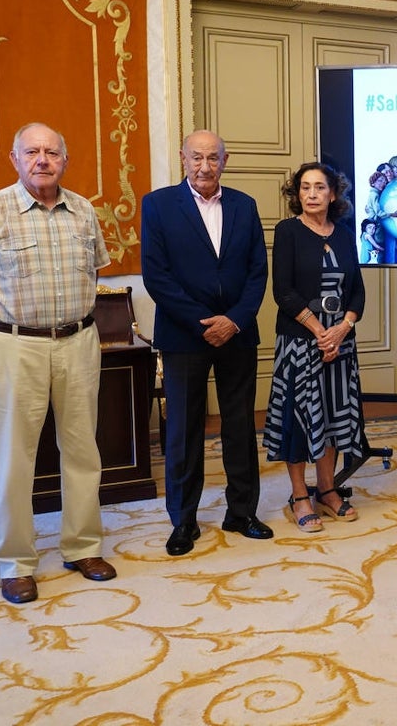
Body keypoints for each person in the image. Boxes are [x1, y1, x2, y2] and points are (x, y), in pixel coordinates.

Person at [0, 122, 116, 604]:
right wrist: (5, 323)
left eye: (52, 152)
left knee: (83, 451)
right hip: (14, 346)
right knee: (11, 458)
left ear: (65, 159)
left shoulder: (83, 211)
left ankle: (82, 547)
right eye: (32, 152)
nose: (43, 160)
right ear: (14, 159)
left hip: (78, 342)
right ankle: (16, 562)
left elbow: (96, 273)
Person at [140, 130, 272, 557]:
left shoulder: (244, 205)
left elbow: (257, 273)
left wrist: (233, 320)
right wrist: (204, 325)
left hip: (237, 333)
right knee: (183, 429)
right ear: (182, 158)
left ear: (225, 160)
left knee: (239, 425)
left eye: (212, 158)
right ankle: (183, 520)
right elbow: (157, 277)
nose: (204, 166)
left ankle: (242, 512)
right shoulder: (158, 205)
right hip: (184, 336)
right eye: (196, 157)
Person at [264, 162, 366, 532]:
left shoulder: (343, 233)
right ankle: (298, 496)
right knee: (298, 419)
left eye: (319, 187)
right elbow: (283, 292)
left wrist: (342, 329)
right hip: (300, 344)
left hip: (340, 345)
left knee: (335, 418)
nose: (310, 194)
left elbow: (357, 289)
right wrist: (320, 331)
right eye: (304, 187)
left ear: (333, 194)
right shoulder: (288, 231)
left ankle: (326, 489)